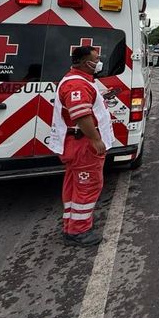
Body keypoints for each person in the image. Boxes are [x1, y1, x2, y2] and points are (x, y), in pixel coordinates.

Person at [48, 45, 116, 247]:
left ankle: (71, 223)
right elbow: (81, 115)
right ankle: (79, 231)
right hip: (83, 145)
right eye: (96, 58)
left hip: (77, 144)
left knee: (75, 185)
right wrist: (96, 139)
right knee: (88, 186)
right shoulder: (77, 84)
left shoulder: (80, 81)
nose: (99, 62)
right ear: (87, 63)